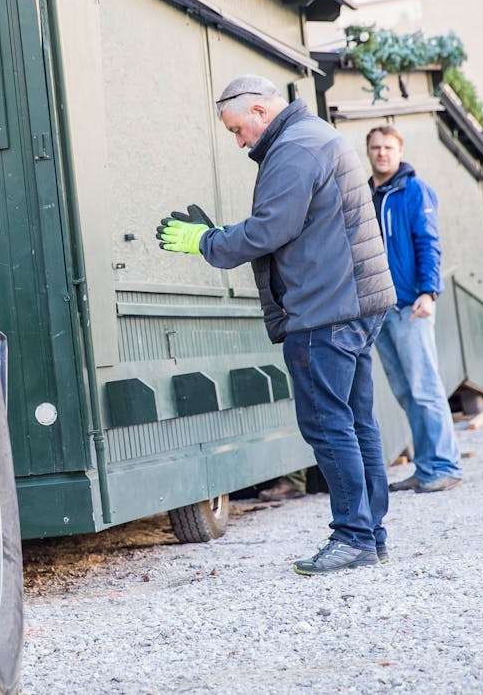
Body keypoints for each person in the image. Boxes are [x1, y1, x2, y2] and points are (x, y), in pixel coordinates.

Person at [157, 75, 395, 574]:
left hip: (324, 310)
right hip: (354, 304)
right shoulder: (317, 137)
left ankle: (354, 536)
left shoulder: (294, 149)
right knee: (357, 422)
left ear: (261, 113)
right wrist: (220, 234)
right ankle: (370, 535)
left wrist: (208, 242)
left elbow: (271, 229)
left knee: (328, 425)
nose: (240, 141)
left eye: (238, 130)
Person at [365, 126, 464, 494]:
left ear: (400, 150)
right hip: (380, 308)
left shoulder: (414, 191)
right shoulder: (367, 196)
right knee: (405, 391)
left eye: (388, 147)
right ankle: (425, 468)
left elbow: (429, 243)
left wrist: (428, 291)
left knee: (425, 388)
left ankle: (446, 466)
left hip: (412, 305)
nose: (381, 154)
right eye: (375, 148)